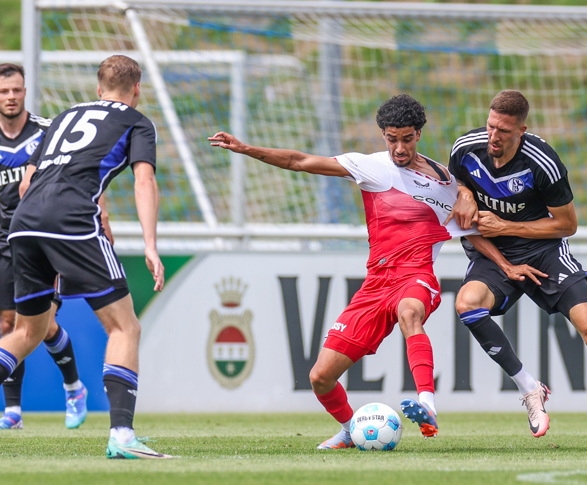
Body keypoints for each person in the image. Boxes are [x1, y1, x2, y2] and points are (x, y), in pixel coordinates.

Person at [210, 94, 538, 449]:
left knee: (410, 311)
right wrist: (245, 148)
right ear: (383, 134)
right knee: (320, 377)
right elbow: (299, 160)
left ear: (419, 134)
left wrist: (505, 265)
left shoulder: (446, 184)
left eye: (407, 138)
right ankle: (351, 429)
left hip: (416, 276)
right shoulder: (370, 167)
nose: (399, 147)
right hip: (375, 284)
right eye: (391, 138)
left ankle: (426, 402)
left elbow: (471, 232)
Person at [447, 90, 587, 453]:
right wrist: (463, 192)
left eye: (504, 131)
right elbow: (459, 190)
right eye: (491, 126)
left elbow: (567, 225)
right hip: (495, 256)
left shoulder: (543, 162)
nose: (494, 136)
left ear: (522, 130)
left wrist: (506, 226)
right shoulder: (465, 150)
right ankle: (529, 388)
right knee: (466, 304)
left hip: (544, 251)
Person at [0, 55, 170, 459]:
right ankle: (123, 437)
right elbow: (143, 182)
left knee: (27, 333)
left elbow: (27, 181)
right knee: (124, 328)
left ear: (98, 88)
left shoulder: (62, 116)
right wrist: (150, 244)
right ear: (136, 89)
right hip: (72, 219)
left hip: (23, 224)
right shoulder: (136, 121)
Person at [0, 63, 90, 430]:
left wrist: (98, 212)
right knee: (6, 323)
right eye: (4, 91)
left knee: (42, 324)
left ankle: (74, 387)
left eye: (16, 90)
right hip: (3, 240)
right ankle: (13, 411)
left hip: (40, 235)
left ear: (25, 92)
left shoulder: (47, 131)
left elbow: (79, 172)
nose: (10, 97)